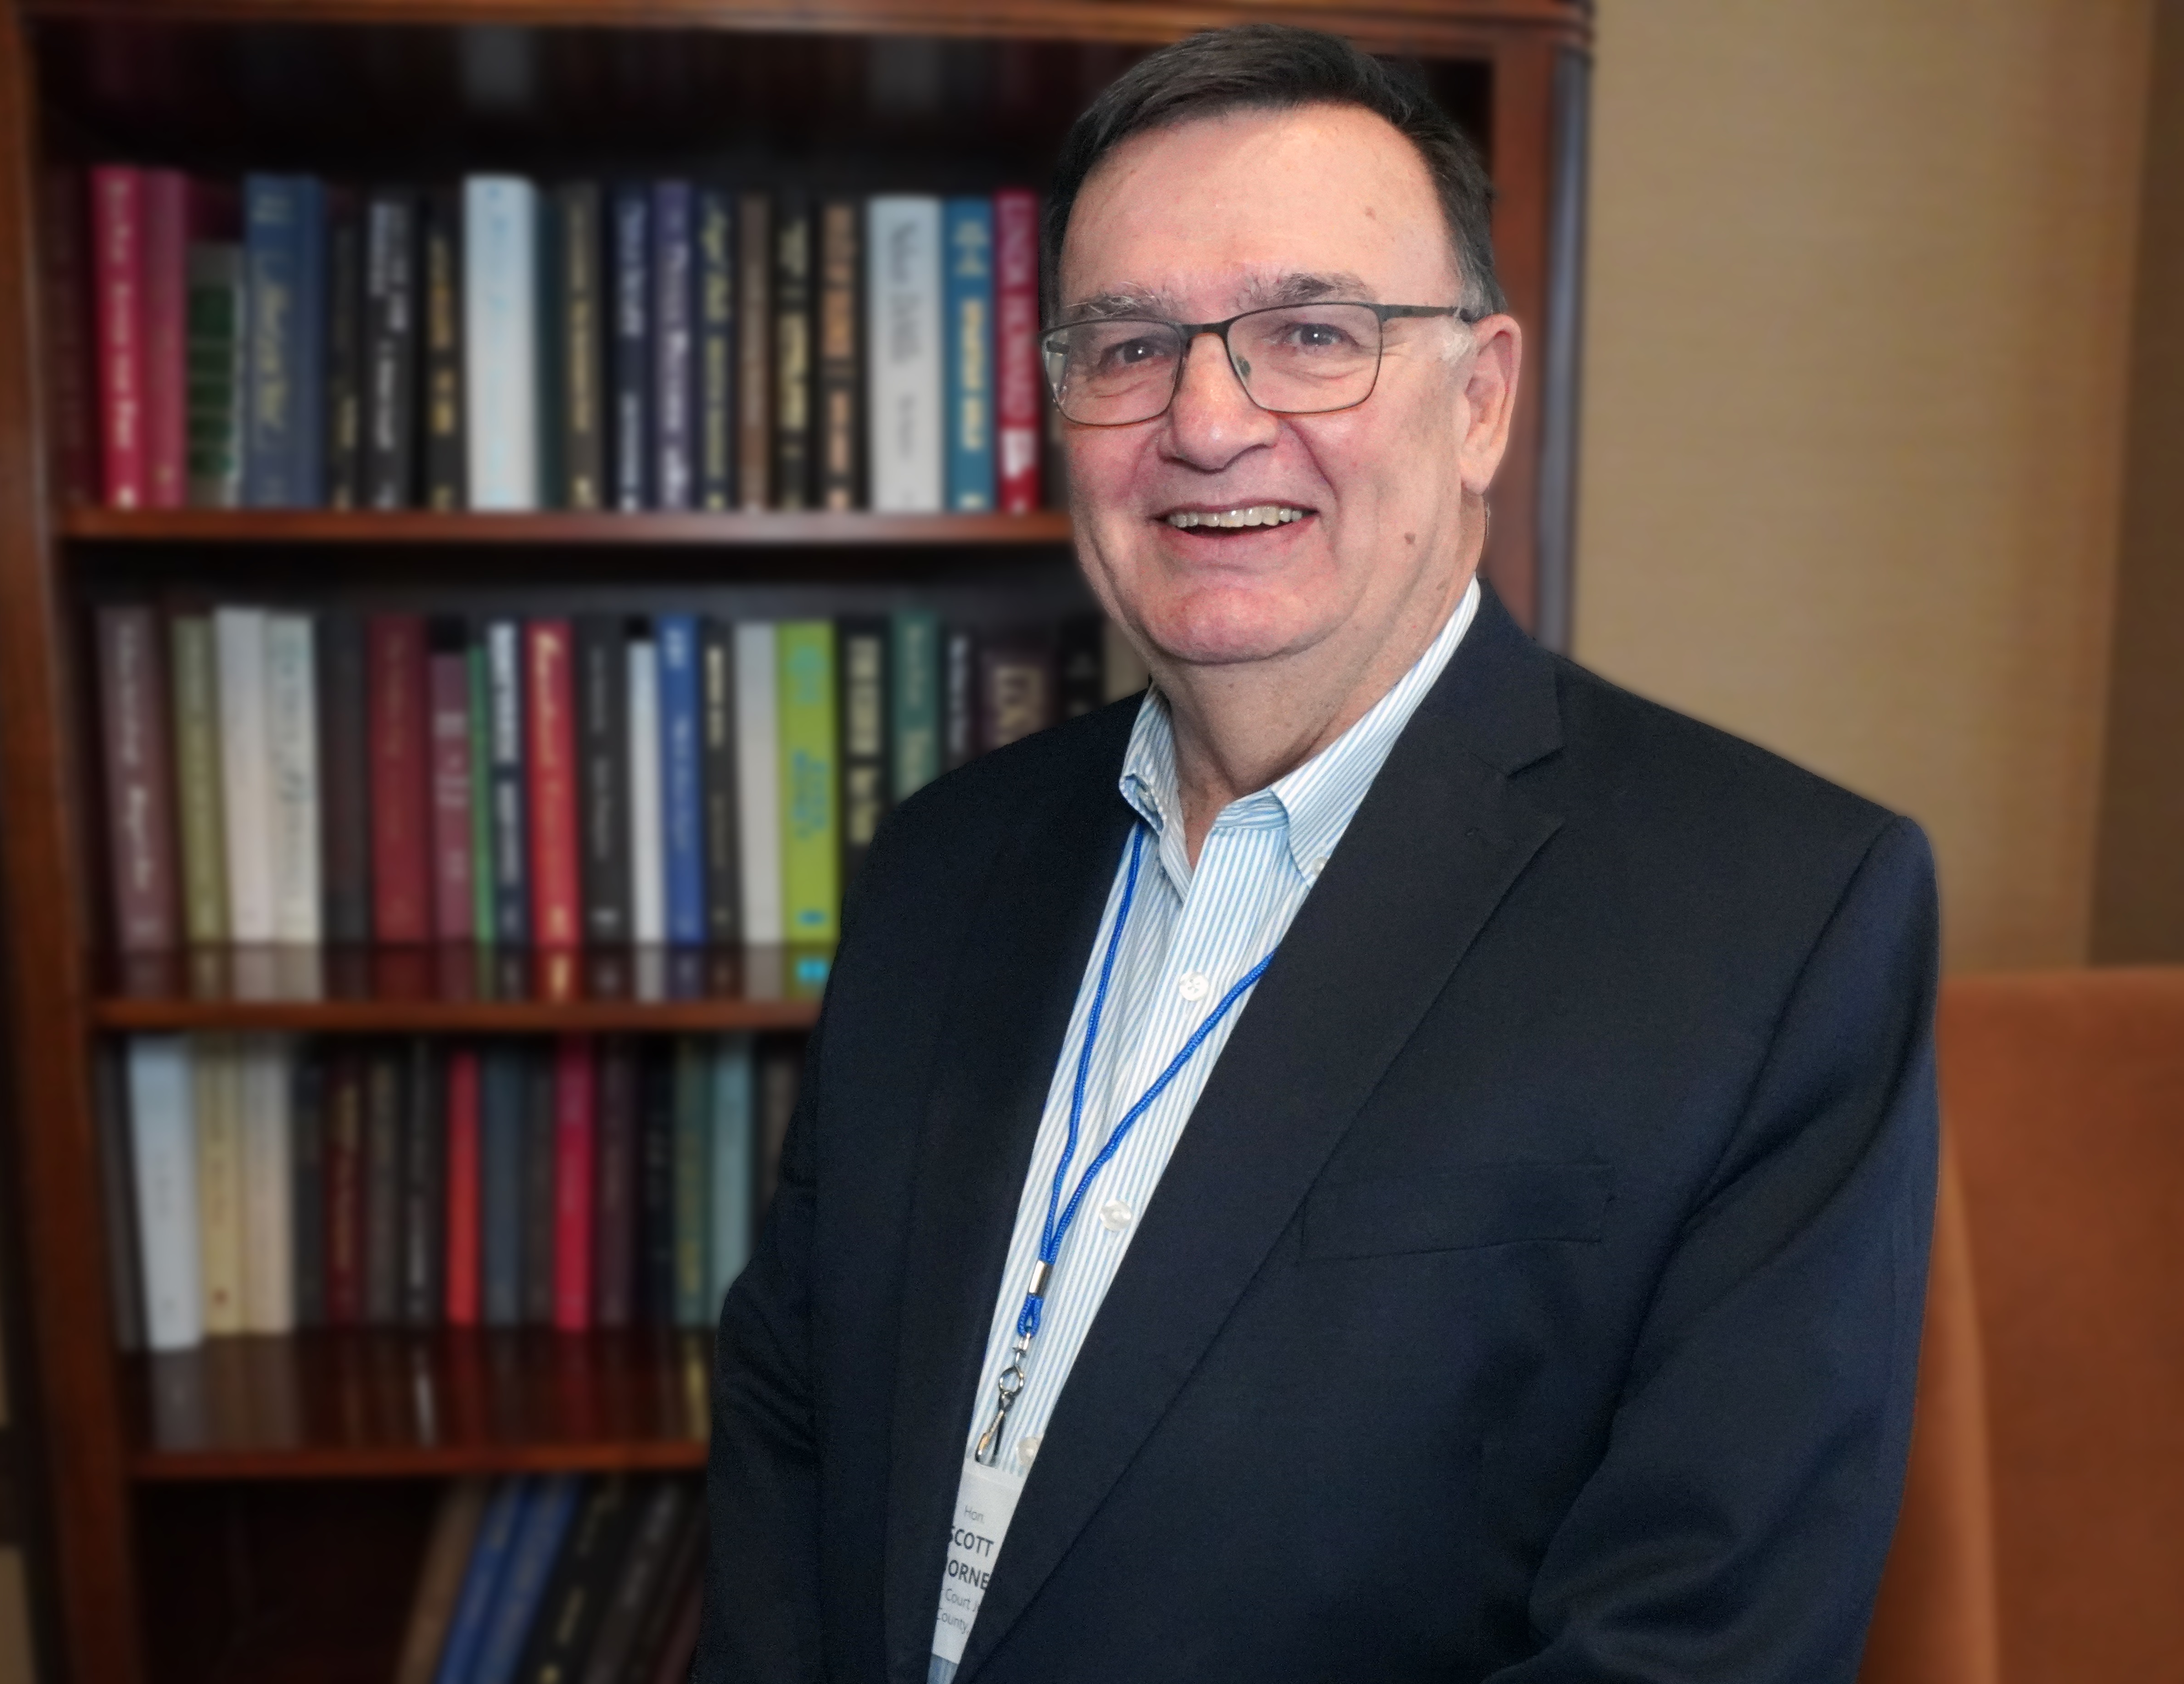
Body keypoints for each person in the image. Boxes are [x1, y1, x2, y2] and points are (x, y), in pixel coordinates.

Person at [700, 24, 1939, 1684]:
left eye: (1309, 334)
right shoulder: (941, 861)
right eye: (1128, 345)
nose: (1207, 421)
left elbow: (1696, 1641)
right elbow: (788, 1425)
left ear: (1479, 399)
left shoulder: (1778, 921)